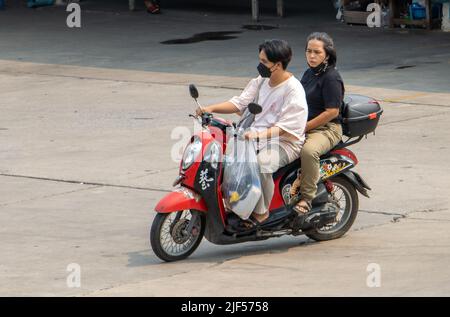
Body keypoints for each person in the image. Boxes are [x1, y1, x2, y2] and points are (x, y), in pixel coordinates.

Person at [196, 39, 308, 228]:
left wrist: (258, 135)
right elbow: (240, 103)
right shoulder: (261, 81)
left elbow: (285, 127)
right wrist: (210, 108)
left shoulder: (293, 90)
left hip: (284, 142)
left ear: (278, 65)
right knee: (228, 161)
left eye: (264, 62)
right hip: (253, 137)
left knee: (261, 164)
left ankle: (262, 212)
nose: (260, 66)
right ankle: (236, 203)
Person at [290, 32, 344, 220]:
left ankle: (307, 198)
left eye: (317, 52)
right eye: (308, 51)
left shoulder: (331, 78)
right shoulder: (308, 73)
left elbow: (332, 112)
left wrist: (303, 128)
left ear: (327, 55)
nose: (312, 56)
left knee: (308, 151)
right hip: (304, 124)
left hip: (326, 128)